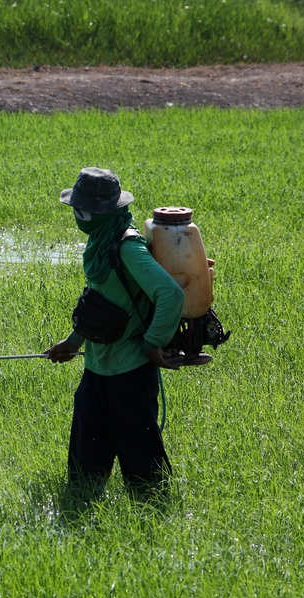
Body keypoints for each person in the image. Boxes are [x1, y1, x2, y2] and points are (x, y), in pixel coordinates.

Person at [45, 167, 186, 499]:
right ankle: (81, 504)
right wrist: (74, 341)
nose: (78, 217)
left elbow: (171, 294)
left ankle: (153, 514)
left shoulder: (127, 247)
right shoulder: (101, 241)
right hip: (97, 366)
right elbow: (99, 302)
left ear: (102, 211)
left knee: (143, 468)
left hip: (131, 370)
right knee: (84, 461)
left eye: (82, 210)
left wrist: (153, 345)